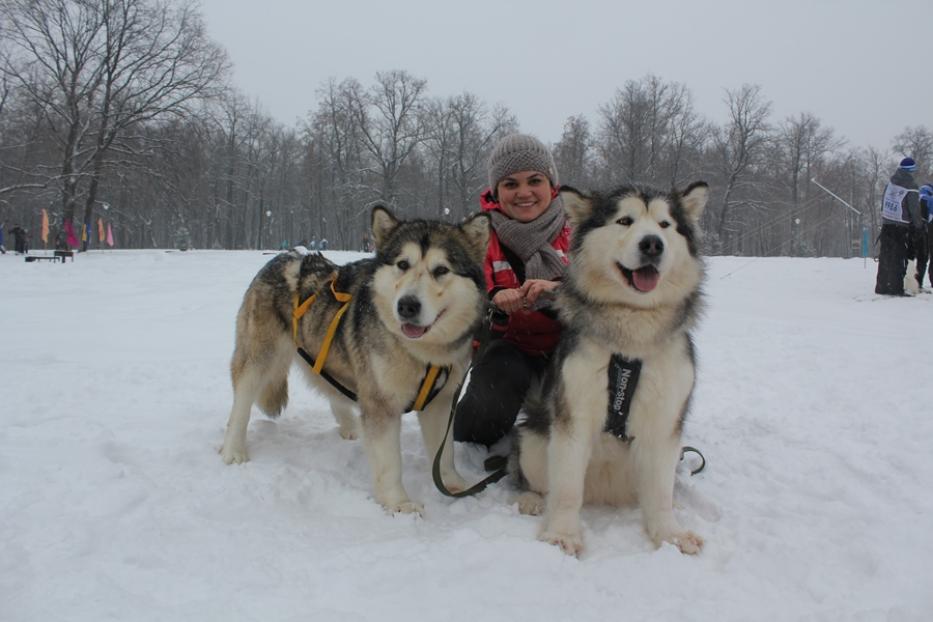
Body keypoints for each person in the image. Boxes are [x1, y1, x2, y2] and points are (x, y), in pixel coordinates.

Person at [454, 134, 571, 446]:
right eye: (510, 184)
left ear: (551, 185)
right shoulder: (477, 234)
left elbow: (603, 297)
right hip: (508, 348)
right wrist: (493, 300)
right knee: (474, 429)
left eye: (534, 180)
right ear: (496, 190)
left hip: (571, 348)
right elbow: (459, 298)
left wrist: (560, 292)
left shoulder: (581, 229)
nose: (524, 193)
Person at [875, 157, 923, 295]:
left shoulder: (890, 182)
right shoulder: (911, 186)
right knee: (898, 257)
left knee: (885, 256)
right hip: (900, 227)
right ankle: (895, 288)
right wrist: (918, 226)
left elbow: (883, 202)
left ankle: (881, 286)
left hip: (887, 224)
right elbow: (914, 209)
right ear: (911, 171)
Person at [918, 184, 933, 288]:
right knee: (925, 257)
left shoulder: (916, 196)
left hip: (912, 229)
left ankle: (915, 282)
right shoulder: (930, 199)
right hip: (927, 230)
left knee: (917, 257)